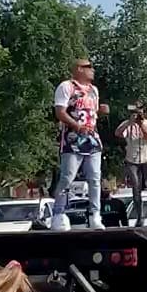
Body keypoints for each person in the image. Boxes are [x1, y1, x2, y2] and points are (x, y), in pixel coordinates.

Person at [52, 58, 110, 231]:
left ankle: (95, 214)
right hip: (72, 139)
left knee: (94, 178)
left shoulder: (94, 90)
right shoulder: (66, 86)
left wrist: (101, 111)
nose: (92, 70)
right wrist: (76, 126)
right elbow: (60, 112)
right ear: (79, 69)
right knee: (67, 177)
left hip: (92, 139)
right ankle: (58, 214)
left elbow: (91, 112)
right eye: (88, 67)